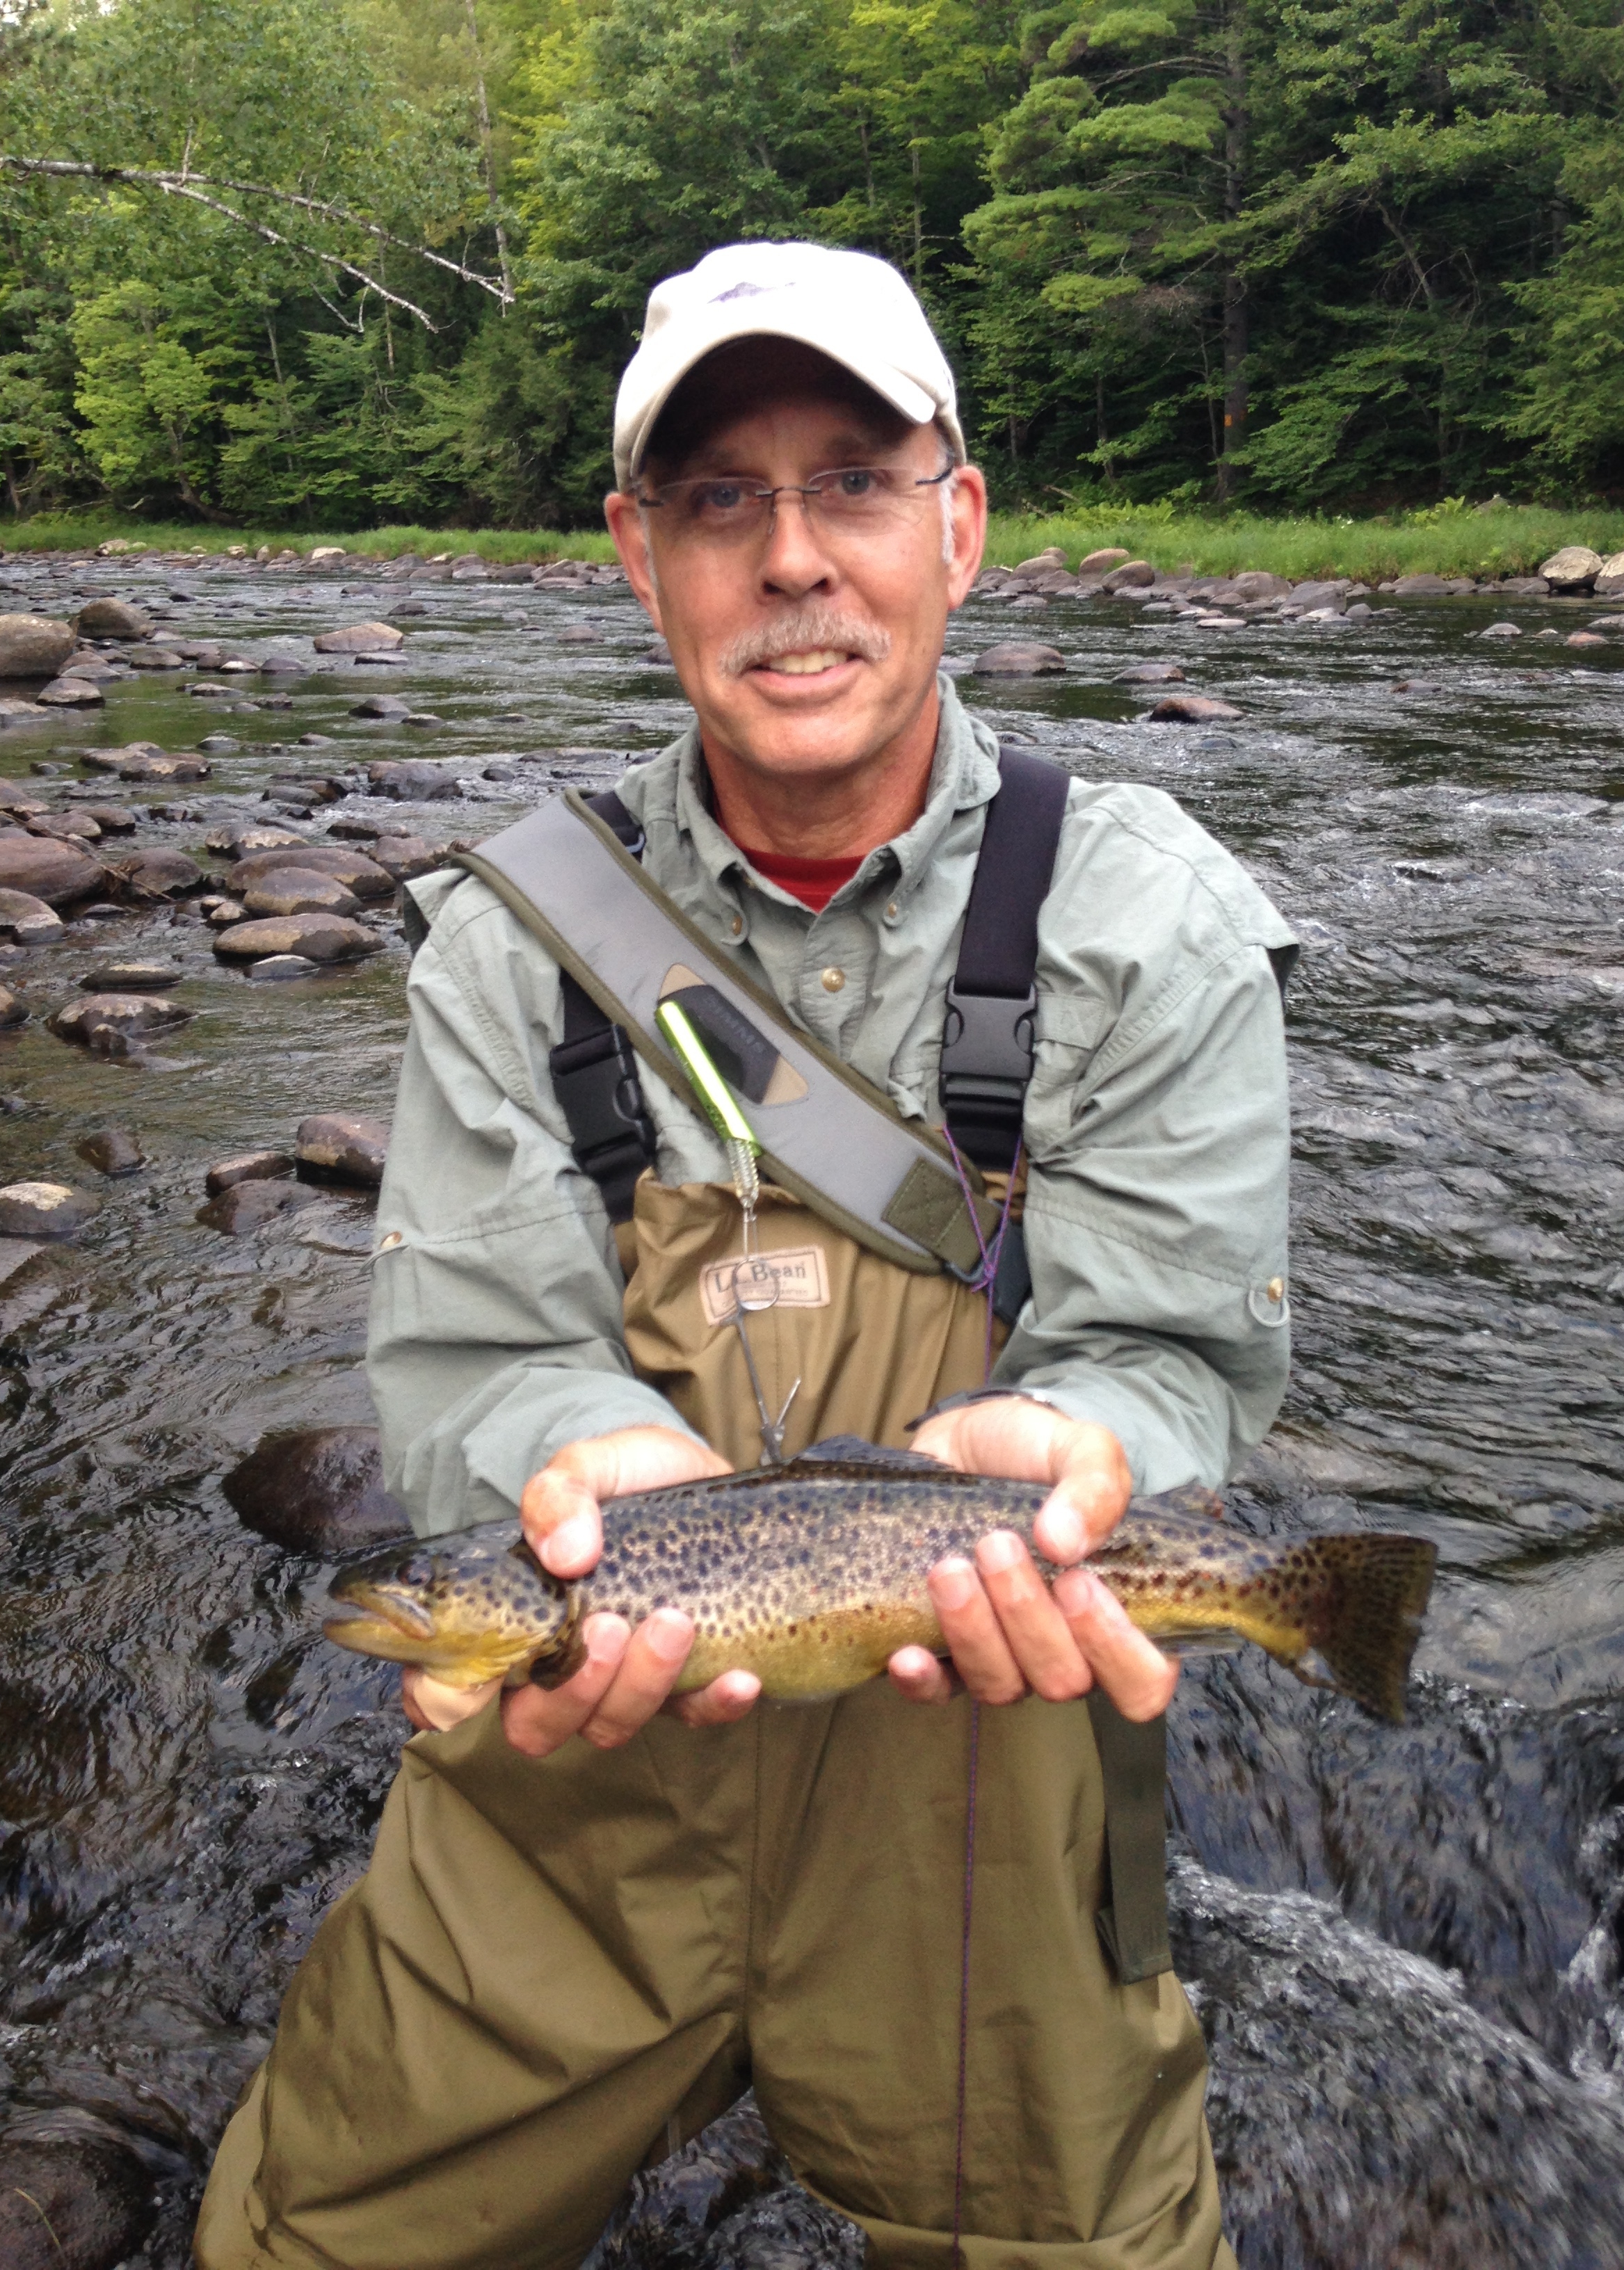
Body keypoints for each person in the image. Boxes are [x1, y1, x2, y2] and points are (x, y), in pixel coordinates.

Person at [195, 241, 1295, 2270]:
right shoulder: (514, 937)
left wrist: (1088, 1434)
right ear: (640, 554)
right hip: (563, 1818)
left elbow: (1172, 1356)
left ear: (958, 526)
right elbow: (476, 1361)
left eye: (854, 482)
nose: (793, 559)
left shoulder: (1149, 920)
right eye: (721, 497)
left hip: (989, 1799)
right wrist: (558, 1442)